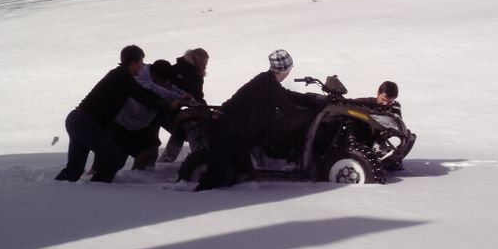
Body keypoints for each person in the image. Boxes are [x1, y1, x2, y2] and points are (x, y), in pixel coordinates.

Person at [195, 49, 315, 191]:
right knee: (214, 178)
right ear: (286, 69)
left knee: (243, 171)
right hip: (225, 129)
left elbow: (286, 94)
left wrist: (312, 99)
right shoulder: (269, 83)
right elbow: (289, 110)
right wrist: (310, 115)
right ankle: (195, 199)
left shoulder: (266, 79)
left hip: (233, 131)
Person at [55, 45, 170, 183]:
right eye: (141, 62)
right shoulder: (122, 76)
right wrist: (169, 105)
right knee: (114, 159)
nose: (142, 66)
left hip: (77, 120)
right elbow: (143, 96)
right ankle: (97, 189)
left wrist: (168, 100)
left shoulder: (120, 75)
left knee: (74, 170)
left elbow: (144, 93)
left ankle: (58, 189)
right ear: (133, 63)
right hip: (85, 122)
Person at [112, 59, 193, 170]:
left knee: (151, 149)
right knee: (116, 160)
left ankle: (138, 174)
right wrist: (176, 99)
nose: (166, 84)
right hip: (122, 123)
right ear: (154, 76)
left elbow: (169, 86)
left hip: (139, 123)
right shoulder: (142, 79)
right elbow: (154, 90)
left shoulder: (157, 77)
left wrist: (184, 95)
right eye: (164, 81)